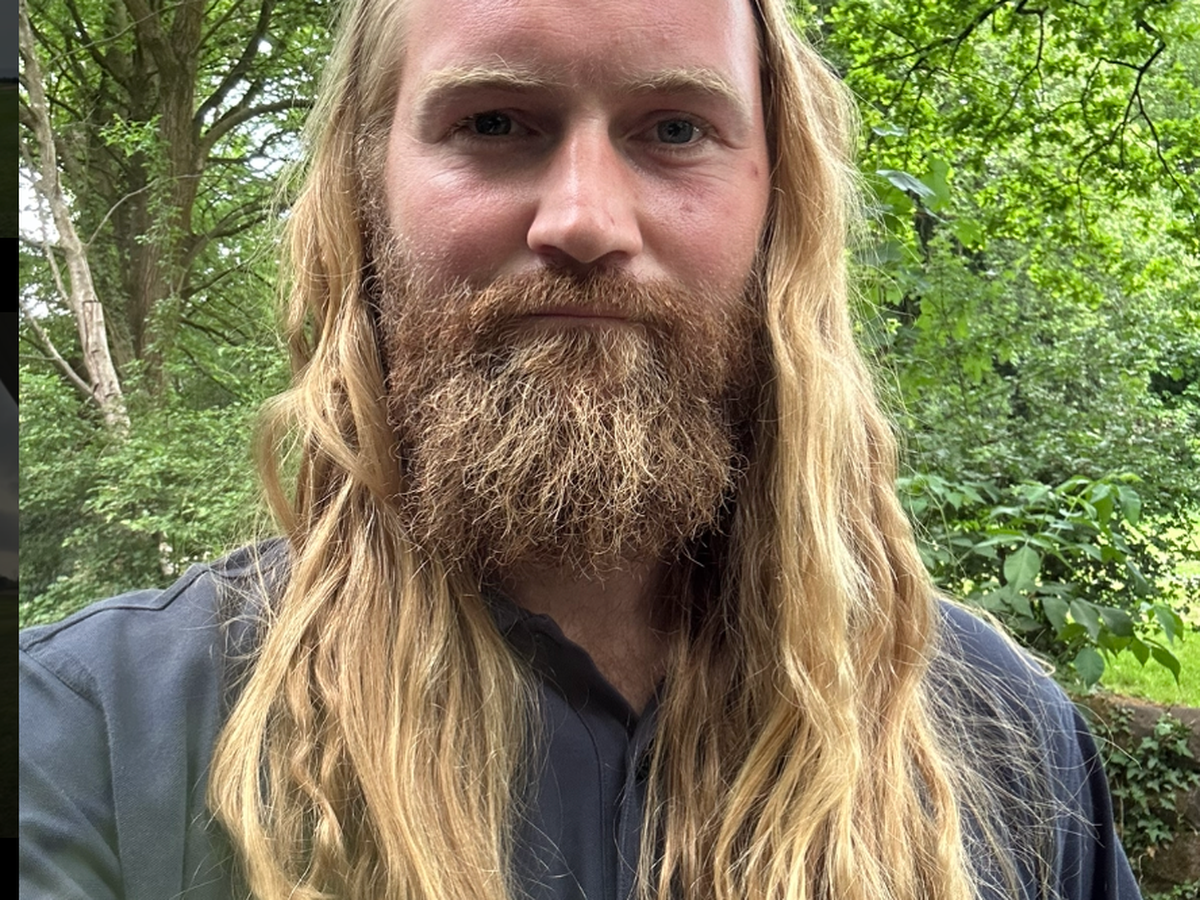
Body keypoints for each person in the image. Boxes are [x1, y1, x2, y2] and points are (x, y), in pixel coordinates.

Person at [19, 0, 1142, 898]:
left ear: (777, 202)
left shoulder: (996, 740)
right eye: (494, 124)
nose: (586, 220)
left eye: (675, 130)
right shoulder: (91, 740)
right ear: (366, 187)